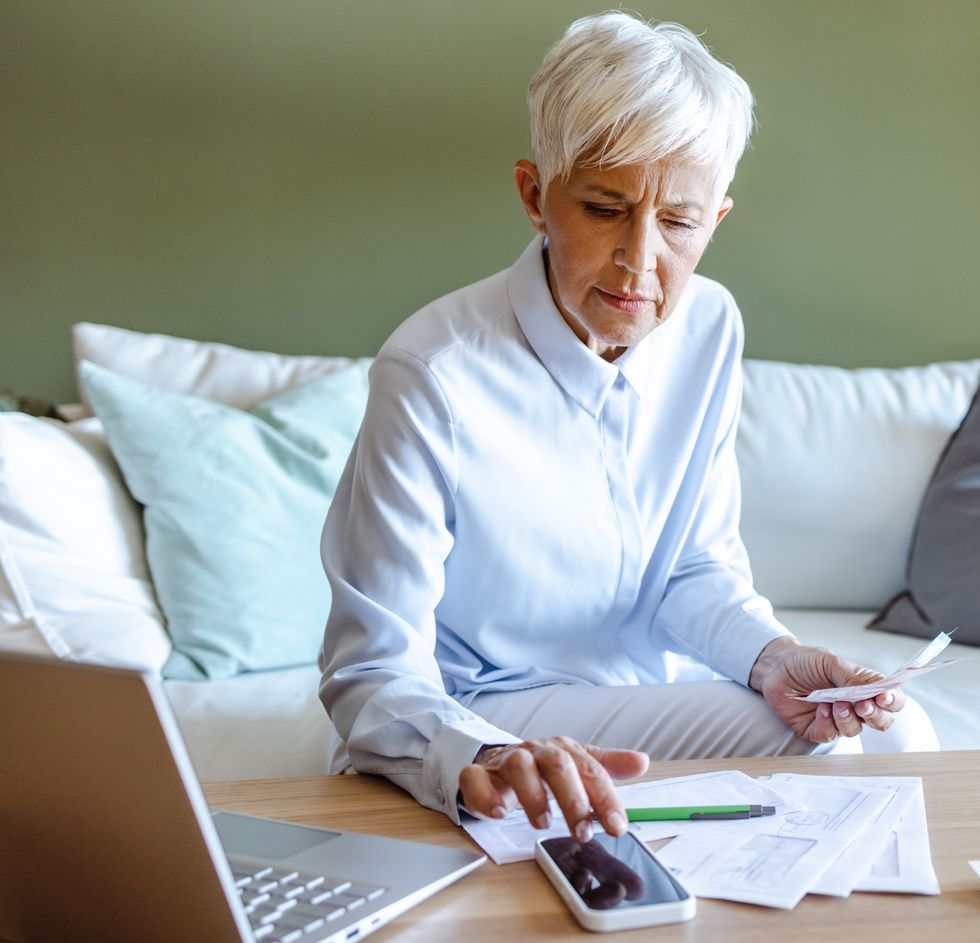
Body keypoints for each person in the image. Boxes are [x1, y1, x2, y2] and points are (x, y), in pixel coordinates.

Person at [318, 11, 937, 846]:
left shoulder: (710, 326)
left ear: (714, 220)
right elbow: (370, 670)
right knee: (848, 754)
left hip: (642, 698)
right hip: (489, 710)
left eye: (677, 222)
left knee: (895, 730)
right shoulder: (432, 370)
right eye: (606, 208)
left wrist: (776, 659)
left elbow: (693, 566)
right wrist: (485, 751)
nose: (639, 260)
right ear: (536, 197)